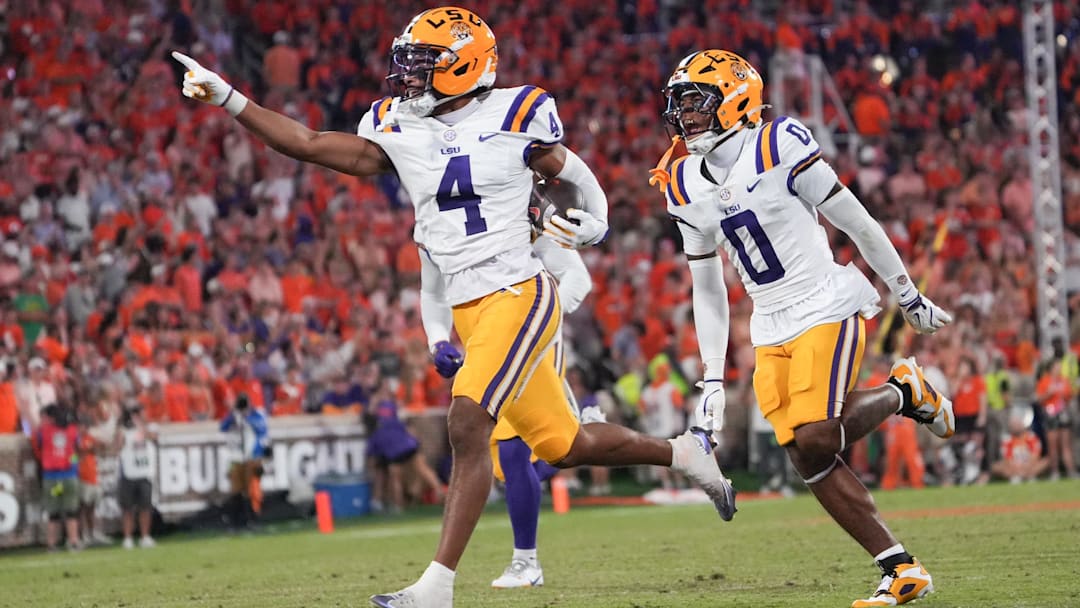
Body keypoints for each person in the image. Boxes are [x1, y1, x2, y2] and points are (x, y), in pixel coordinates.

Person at [174, 9, 735, 607]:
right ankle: (686, 453)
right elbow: (309, 144)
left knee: (468, 421)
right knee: (566, 446)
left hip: (519, 290)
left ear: (464, 66)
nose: (409, 76)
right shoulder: (397, 125)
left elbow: (573, 171)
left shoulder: (516, 113)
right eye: (409, 64)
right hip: (469, 303)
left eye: (424, 64)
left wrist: (595, 221)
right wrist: (229, 97)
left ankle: (437, 586)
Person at [651, 50, 955, 607]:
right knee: (804, 453)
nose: (685, 116)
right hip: (768, 321)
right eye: (680, 106)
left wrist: (906, 292)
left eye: (696, 103)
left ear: (735, 101)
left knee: (815, 434)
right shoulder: (681, 180)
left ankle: (903, 391)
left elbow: (856, 221)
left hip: (823, 302)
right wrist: (712, 377)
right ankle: (901, 569)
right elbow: (707, 285)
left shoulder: (778, 144)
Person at [420, 189, 594, 589]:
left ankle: (526, 561)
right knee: (512, 458)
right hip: (489, 338)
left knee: (515, 451)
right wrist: (438, 340)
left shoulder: (519, 209)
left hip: (532, 333)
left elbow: (577, 278)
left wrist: (543, 320)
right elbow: (432, 290)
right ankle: (585, 434)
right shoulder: (439, 221)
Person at [220, 392, 271, 529]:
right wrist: (234, 415)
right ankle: (236, 521)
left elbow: (263, 431)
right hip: (235, 458)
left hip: (252, 457)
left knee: (253, 489)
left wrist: (246, 418)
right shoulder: (233, 416)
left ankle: (253, 519)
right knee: (236, 490)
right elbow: (223, 427)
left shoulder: (256, 415)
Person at [34, 404, 81, 551]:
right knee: (71, 510)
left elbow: (38, 447)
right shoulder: (73, 430)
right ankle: (73, 541)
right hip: (69, 476)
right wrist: (74, 464)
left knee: (53, 512)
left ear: (49, 417)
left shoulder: (43, 432)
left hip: (52, 478)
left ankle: (51, 543)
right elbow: (77, 449)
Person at [116, 405, 158, 549]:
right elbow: (117, 446)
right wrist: (123, 430)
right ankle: (128, 537)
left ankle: (145, 536)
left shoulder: (149, 428)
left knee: (145, 507)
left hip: (145, 473)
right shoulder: (124, 431)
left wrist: (141, 427)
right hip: (129, 473)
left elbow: (153, 437)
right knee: (127, 508)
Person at [990, 409, 1048, 483]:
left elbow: (1035, 456)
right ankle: (1025, 476)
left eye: (1017, 424)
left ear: (1022, 425)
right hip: (1014, 467)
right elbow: (1008, 460)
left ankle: (1022, 476)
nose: (1015, 427)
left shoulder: (1031, 438)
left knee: (1046, 461)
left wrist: (1026, 467)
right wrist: (1017, 468)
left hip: (1029, 465)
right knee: (995, 467)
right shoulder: (1008, 440)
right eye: (1013, 425)